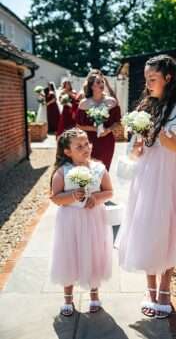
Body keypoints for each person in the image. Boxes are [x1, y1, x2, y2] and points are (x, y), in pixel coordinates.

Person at [116, 55, 176, 319]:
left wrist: (175, 147)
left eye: (152, 79)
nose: (148, 83)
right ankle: (150, 288)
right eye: (146, 79)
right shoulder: (146, 108)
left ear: (168, 78)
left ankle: (165, 288)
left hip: (173, 179)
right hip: (146, 178)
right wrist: (138, 149)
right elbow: (134, 153)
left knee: (168, 232)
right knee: (145, 230)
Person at [48, 128, 114, 317]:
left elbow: (109, 192)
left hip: (93, 220)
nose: (86, 148)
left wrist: (96, 197)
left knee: (93, 254)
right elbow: (55, 198)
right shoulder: (62, 171)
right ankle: (68, 299)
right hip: (70, 221)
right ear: (67, 151)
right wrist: (71, 196)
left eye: (87, 144)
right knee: (69, 255)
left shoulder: (99, 168)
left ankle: (94, 295)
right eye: (79, 146)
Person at [75, 71, 122, 170]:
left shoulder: (112, 102)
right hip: (89, 141)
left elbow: (117, 122)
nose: (101, 84)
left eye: (102, 82)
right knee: (89, 168)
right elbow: (78, 125)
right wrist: (95, 129)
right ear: (92, 86)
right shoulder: (84, 103)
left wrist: (107, 130)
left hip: (107, 141)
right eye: (98, 82)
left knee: (104, 168)